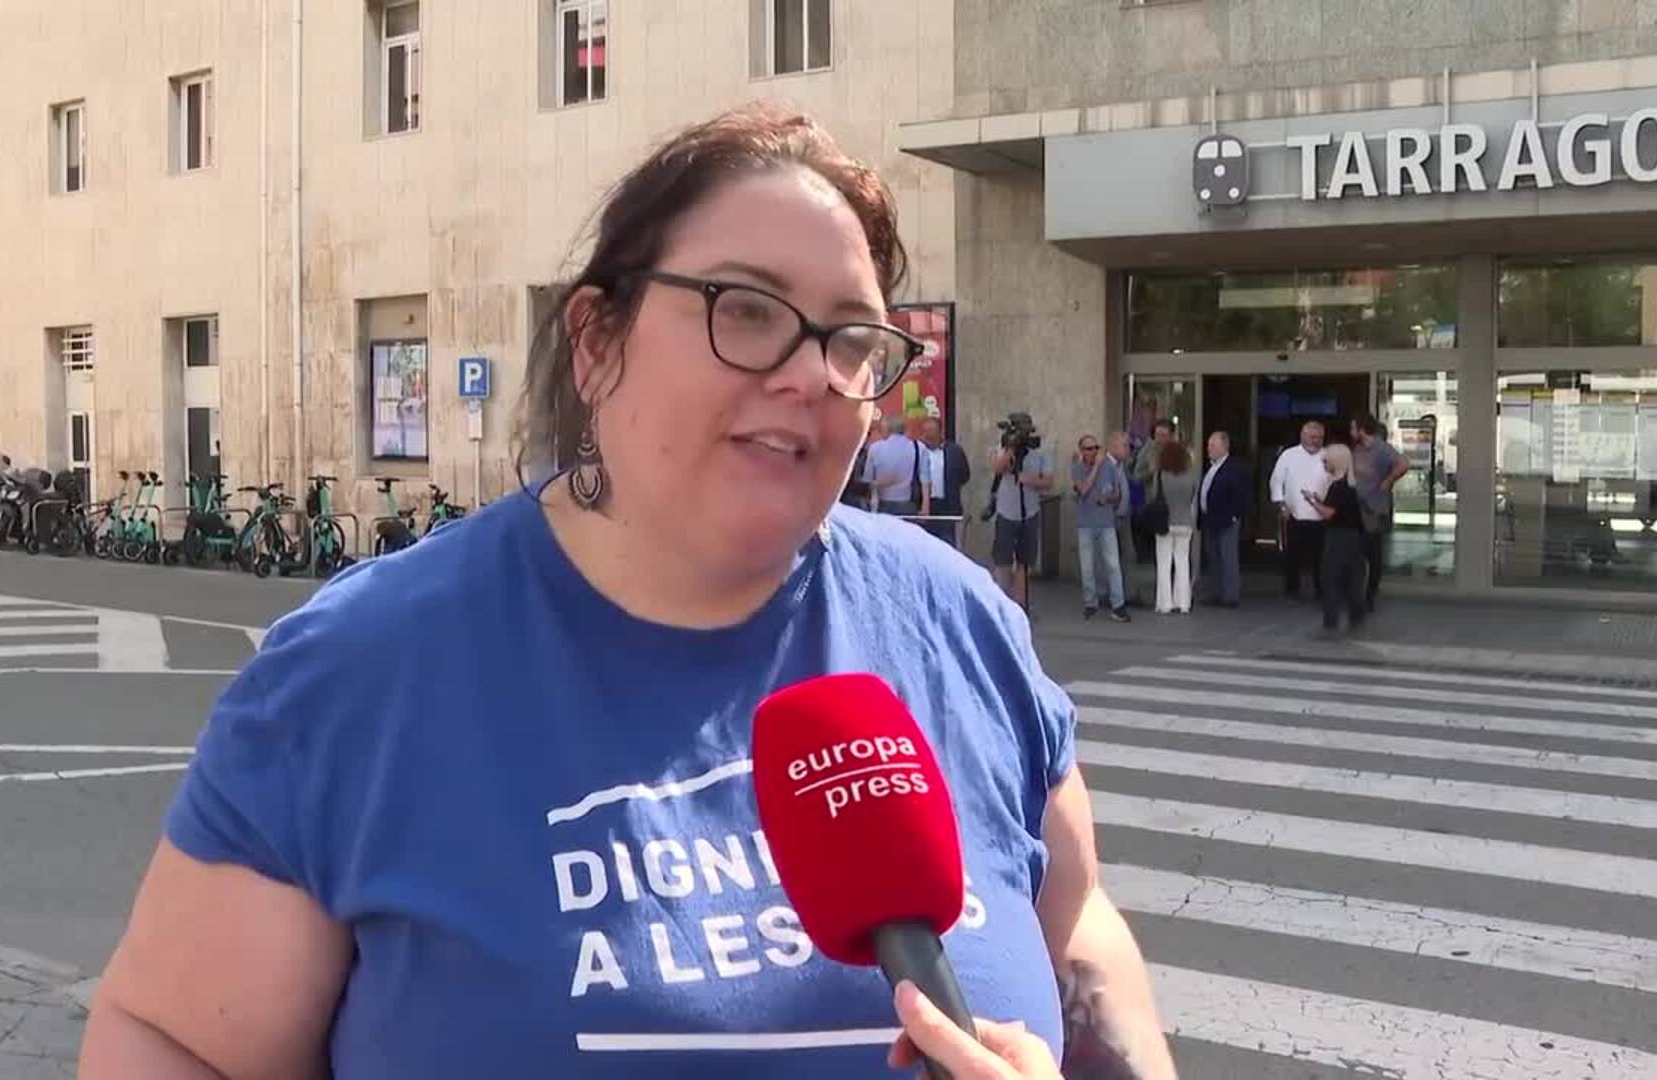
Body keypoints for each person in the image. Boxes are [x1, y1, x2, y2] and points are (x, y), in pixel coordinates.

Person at [78, 105, 1175, 1080]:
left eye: (851, 338)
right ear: (596, 343)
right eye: (748, 308)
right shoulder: (361, 669)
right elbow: (174, 1041)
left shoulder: (960, 624)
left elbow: (1079, 936)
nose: (811, 371)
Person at [1307, 442, 1368, 635]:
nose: (1324, 464)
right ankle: (1357, 615)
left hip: (1338, 537)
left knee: (1330, 578)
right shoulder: (1351, 486)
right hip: (1354, 537)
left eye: (1326, 461)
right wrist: (1319, 500)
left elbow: (1329, 514)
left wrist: (1312, 503)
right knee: (1353, 578)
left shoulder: (1337, 487)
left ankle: (1331, 621)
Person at [991, 429, 1056, 612]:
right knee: (1002, 562)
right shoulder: (1002, 448)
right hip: (1005, 512)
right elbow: (996, 468)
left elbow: (1048, 482)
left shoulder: (1040, 453)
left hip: (1029, 513)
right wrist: (1009, 449)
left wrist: (1025, 479)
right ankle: (1000, 604)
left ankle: (1021, 605)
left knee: (1024, 562)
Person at [1350, 414, 1409, 612]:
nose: (1351, 432)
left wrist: (1388, 481)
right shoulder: (1358, 449)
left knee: (1373, 554)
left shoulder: (1381, 448)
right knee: (1356, 553)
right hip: (1358, 507)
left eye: (1353, 428)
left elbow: (1403, 464)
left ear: (1361, 429)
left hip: (1374, 508)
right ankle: (1356, 593)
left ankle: (1370, 596)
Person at [1070, 434, 1130, 622]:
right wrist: (1095, 467)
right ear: (1082, 451)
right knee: (1087, 566)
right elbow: (1083, 489)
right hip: (1085, 523)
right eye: (1089, 449)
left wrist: (1108, 498)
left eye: (1096, 447)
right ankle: (1090, 603)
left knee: (1113, 564)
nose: (1094, 452)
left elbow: (1117, 494)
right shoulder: (1077, 468)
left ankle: (1118, 605)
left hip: (1106, 522)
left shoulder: (1109, 467)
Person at [1269, 420, 1329, 602]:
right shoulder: (1289, 455)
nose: (1315, 441)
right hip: (1294, 514)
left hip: (1321, 516)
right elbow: (1276, 481)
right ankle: (1292, 589)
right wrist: (1281, 504)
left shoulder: (1328, 455)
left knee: (1321, 557)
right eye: (1312, 437)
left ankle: (1321, 590)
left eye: (1319, 438)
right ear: (1303, 436)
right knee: (1292, 555)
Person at [1197, 431, 1251, 608]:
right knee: (1213, 557)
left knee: (1228, 557)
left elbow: (1241, 494)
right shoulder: (1211, 467)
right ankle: (1215, 592)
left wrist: (1235, 515)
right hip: (1210, 519)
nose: (1208, 449)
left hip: (1227, 519)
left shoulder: (1234, 467)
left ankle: (1230, 595)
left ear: (1224, 447)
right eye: (1208, 445)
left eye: (1213, 445)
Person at [1147, 439, 1199, 615]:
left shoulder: (1160, 476)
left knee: (1164, 563)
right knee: (1182, 562)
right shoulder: (1191, 476)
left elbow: (1154, 496)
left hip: (1165, 523)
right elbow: (1192, 497)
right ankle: (1183, 602)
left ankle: (1164, 603)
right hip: (1185, 523)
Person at [1104, 432, 1143, 609]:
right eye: (1125, 446)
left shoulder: (1122, 466)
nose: (1128, 450)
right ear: (1113, 447)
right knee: (1111, 559)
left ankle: (1129, 593)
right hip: (1109, 518)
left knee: (1128, 555)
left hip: (1124, 516)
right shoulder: (1105, 467)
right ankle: (1111, 594)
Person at [920, 415, 971, 547]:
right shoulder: (918, 451)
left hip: (947, 505)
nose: (928, 435)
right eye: (925, 431)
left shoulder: (955, 451)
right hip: (925, 505)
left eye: (931, 431)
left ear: (940, 432)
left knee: (947, 543)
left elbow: (965, 475)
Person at [866, 415, 924, 516]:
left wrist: (878, 483)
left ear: (888, 429)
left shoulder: (875, 448)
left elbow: (867, 479)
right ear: (905, 428)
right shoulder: (918, 447)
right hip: (908, 502)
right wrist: (925, 506)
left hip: (882, 503)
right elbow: (925, 479)